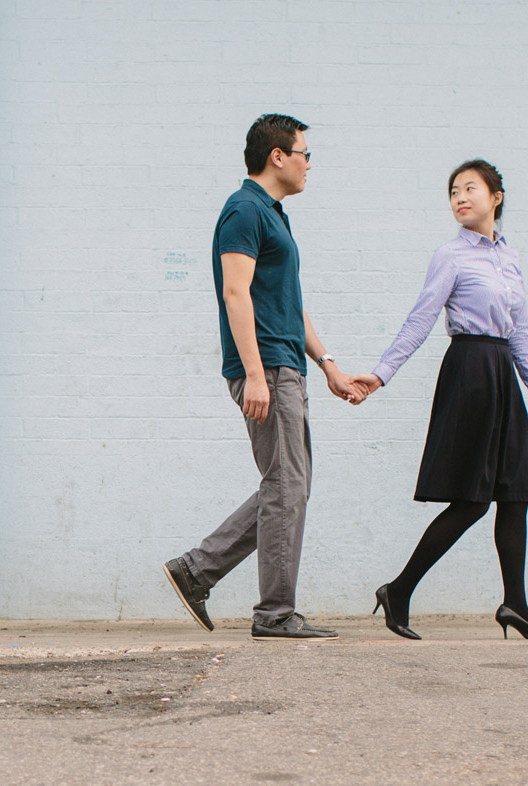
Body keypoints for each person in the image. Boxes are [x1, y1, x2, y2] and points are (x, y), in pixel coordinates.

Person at [163, 113, 366, 640]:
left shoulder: (274, 215)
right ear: (278, 156)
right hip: (268, 369)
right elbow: (236, 293)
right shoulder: (243, 210)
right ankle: (274, 613)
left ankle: (196, 571)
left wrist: (328, 366)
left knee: (288, 487)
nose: (308, 165)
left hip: (286, 365)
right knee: (285, 486)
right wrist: (254, 373)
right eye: (304, 154)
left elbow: (290, 305)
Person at [350, 160, 528, 640]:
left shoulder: (510, 259)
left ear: (496, 197)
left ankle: (516, 605)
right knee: (471, 500)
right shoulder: (450, 255)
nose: (460, 197)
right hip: (468, 372)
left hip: (503, 373)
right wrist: (381, 375)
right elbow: (420, 319)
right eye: (453, 191)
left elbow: (520, 331)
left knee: (513, 495)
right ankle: (399, 589)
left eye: (470, 188)